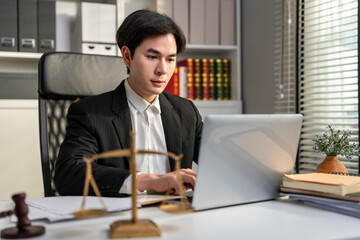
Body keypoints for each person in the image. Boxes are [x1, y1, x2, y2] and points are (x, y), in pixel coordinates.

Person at [54, 9, 203, 197]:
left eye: (170, 59)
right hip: (119, 218)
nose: (163, 70)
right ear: (127, 56)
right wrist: (148, 181)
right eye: (152, 57)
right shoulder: (89, 113)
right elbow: (68, 174)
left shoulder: (186, 111)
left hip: (174, 215)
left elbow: (222, 162)